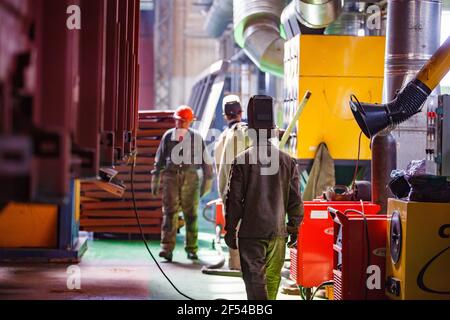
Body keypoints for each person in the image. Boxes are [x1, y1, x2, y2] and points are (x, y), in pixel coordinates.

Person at [224, 95, 303, 300]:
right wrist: (294, 227)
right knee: (272, 280)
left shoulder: (242, 160)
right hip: (277, 233)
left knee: (255, 281)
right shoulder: (287, 161)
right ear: (273, 132)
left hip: (251, 233)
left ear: (250, 132)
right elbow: (295, 199)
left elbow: (233, 200)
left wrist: (230, 228)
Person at [151, 105, 214, 262]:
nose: (180, 124)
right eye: (178, 121)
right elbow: (159, 159)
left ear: (190, 122)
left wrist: (208, 180)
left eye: (184, 121)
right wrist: (156, 177)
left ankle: (192, 249)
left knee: (191, 215)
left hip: (190, 178)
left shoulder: (197, 138)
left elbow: (207, 162)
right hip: (171, 178)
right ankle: (166, 249)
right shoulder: (168, 136)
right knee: (169, 213)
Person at [214, 95, 251, 270]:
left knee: (233, 227)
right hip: (251, 191)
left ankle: (235, 265)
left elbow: (218, 170)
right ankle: (250, 265)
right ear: (241, 113)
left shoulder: (221, 139)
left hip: (229, 193)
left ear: (225, 116)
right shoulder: (247, 132)